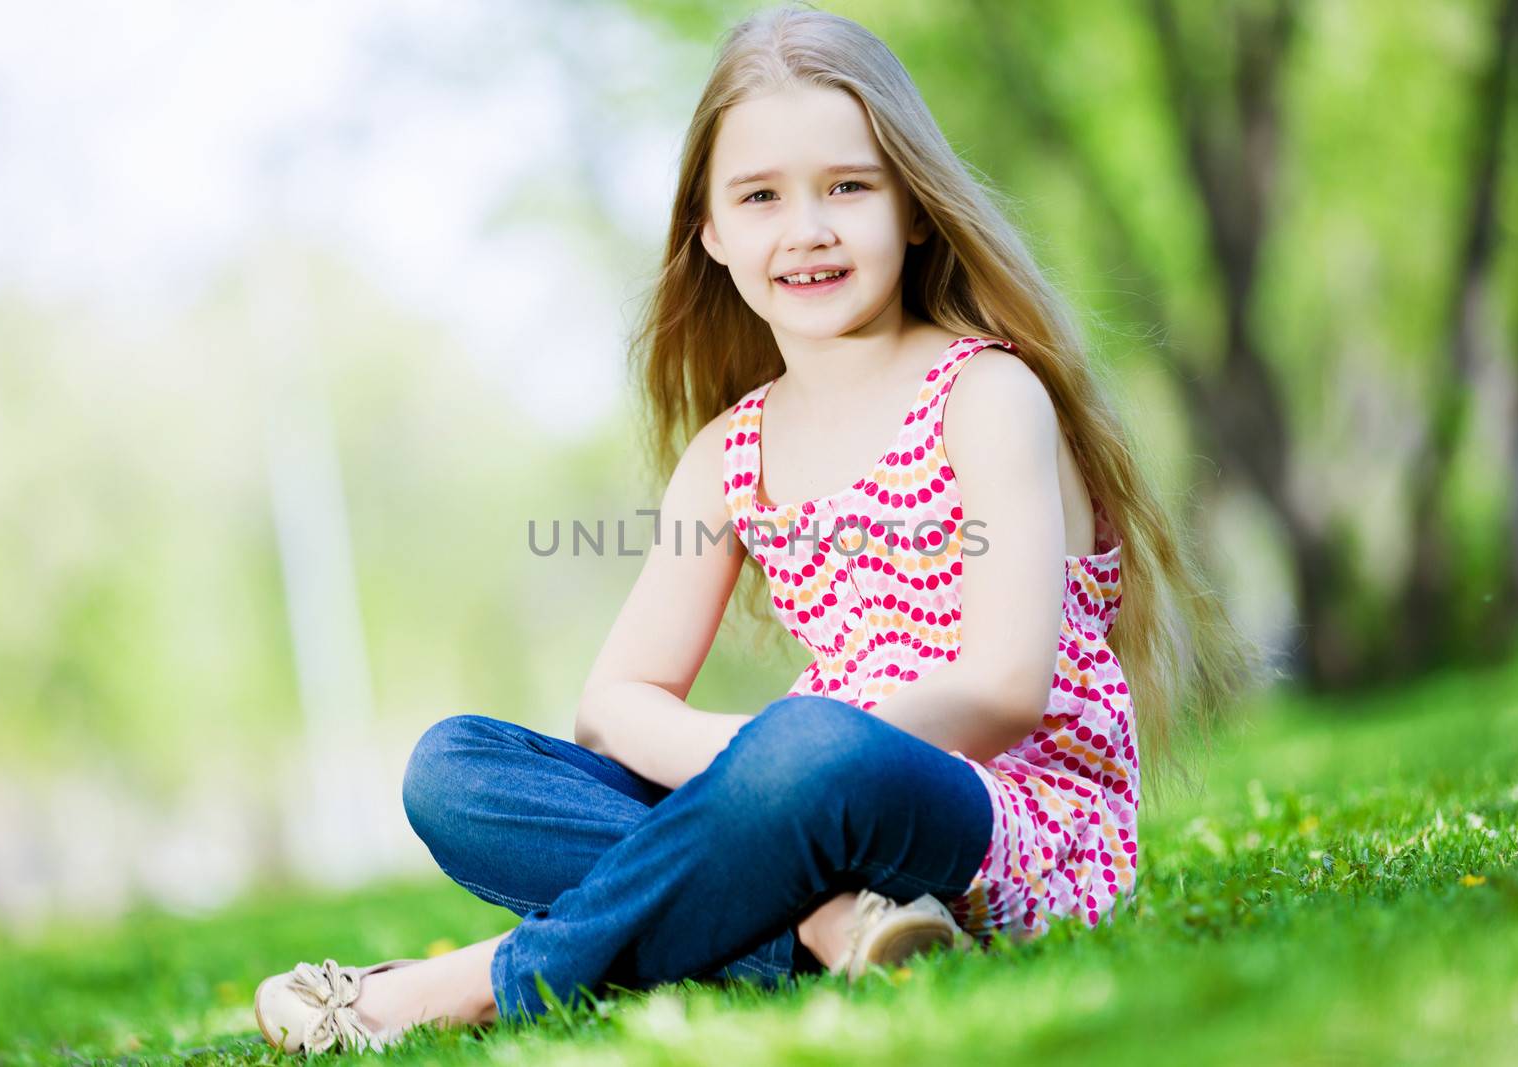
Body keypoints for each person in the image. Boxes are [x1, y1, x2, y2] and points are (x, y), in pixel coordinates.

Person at [253, 3, 1264, 1054]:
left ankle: (473, 983)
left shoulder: (985, 392)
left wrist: (792, 766)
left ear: (912, 207)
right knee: (453, 770)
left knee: (815, 746)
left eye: (848, 187)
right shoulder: (729, 457)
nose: (808, 228)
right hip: (812, 791)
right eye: (761, 197)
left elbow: (1006, 689)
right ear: (712, 230)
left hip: (989, 813)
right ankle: (829, 925)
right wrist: (761, 772)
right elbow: (613, 706)